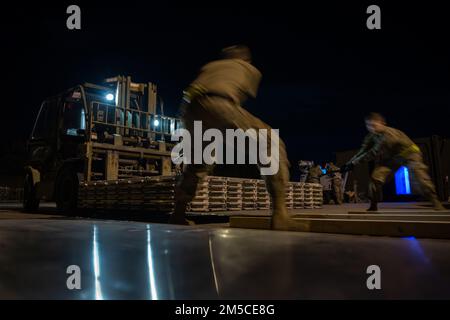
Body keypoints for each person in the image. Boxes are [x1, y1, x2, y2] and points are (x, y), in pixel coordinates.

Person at [170, 45, 307, 231]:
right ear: (245, 59)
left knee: (198, 163)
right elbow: (237, 98)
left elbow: (195, 92)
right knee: (270, 143)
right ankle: (280, 214)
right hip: (219, 103)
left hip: (190, 109)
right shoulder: (248, 69)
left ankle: (178, 214)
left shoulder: (210, 66)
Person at [341, 112, 445, 211]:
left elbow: (373, 152)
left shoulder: (389, 134)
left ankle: (435, 201)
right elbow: (363, 150)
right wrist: (349, 163)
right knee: (376, 178)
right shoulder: (371, 136)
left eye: (374, 125)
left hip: (410, 154)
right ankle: (373, 205)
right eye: (369, 126)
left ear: (382, 123)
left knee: (419, 177)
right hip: (393, 158)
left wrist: (355, 163)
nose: (371, 128)